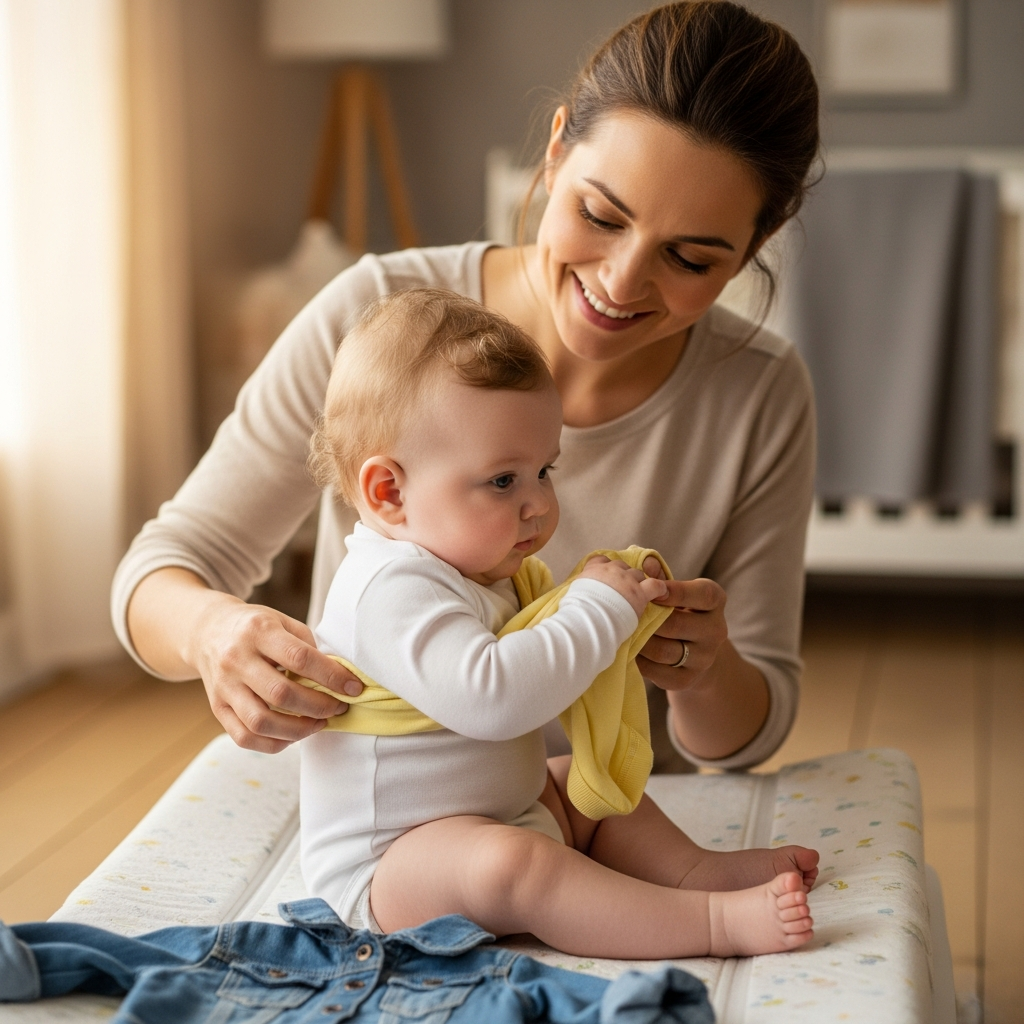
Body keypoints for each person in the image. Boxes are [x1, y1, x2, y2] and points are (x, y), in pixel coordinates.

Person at [114, 2, 819, 778]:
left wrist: (708, 672)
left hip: (600, 826)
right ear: (555, 153)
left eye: (689, 259)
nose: (620, 282)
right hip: (388, 815)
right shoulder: (372, 313)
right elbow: (168, 568)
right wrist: (214, 632)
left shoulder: (761, 393)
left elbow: (745, 739)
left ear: (754, 246)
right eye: (598, 214)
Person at [300, 287, 817, 957]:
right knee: (517, 866)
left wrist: (627, 628)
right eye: (503, 481)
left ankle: (697, 874)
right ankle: (711, 926)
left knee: (581, 784)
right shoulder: (387, 588)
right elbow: (492, 698)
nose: (540, 503)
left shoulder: (476, 571)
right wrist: (597, 612)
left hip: (502, 814)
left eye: (544, 470)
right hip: (391, 871)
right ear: (388, 492)